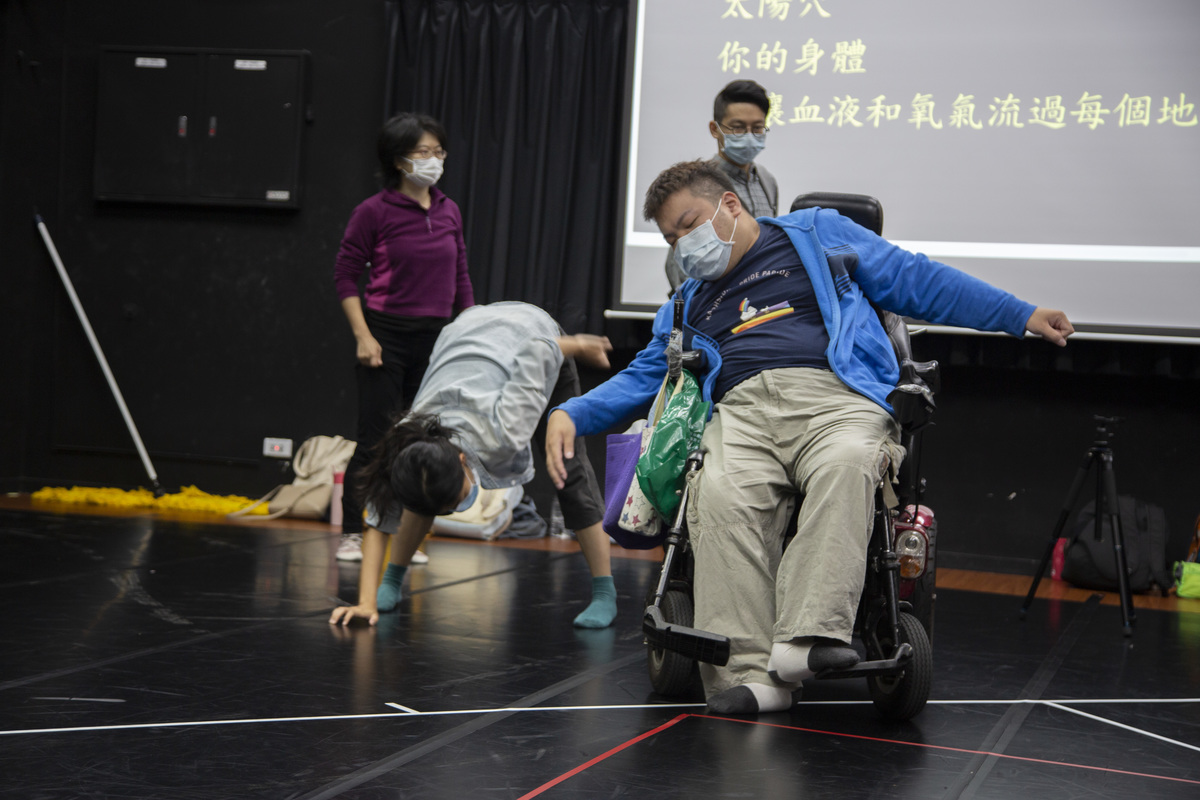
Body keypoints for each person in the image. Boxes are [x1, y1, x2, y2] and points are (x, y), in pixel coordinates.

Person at [547, 160, 1074, 714]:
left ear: (729, 206)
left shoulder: (818, 235)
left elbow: (918, 280)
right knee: (720, 491)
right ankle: (750, 677)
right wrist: (573, 411)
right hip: (741, 408)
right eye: (672, 238)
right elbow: (646, 372)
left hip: (835, 398)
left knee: (849, 462)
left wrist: (1020, 314)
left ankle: (805, 640)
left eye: (689, 224)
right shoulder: (687, 301)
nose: (684, 244)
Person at [329, 302, 620, 629]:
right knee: (426, 486)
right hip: (467, 335)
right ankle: (391, 582)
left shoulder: (502, 433)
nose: (452, 513)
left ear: (463, 459)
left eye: (454, 504)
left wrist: (580, 345)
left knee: (566, 465)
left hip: (532, 334)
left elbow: (538, 353)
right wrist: (366, 602)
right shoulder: (408, 443)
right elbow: (379, 518)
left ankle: (604, 591)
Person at [333, 112, 475, 563]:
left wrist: (469, 333)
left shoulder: (449, 209)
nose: (434, 160)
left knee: (421, 440)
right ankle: (357, 531)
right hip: (385, 335)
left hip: (435, 339)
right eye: (423, 153)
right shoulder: (373, 212)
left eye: (439, 152)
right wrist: (363, 335)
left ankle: (403, 536)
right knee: (376, 438)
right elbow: (344, 276)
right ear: (398, 161)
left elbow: (461, 278)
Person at [664, 80, 780, 293]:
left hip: (760, 300)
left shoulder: (767, 180)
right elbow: (679, 266)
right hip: (715, 305)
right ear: (714, 129)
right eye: (737, 128)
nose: (748, 136)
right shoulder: (696, 185)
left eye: (757, 128)